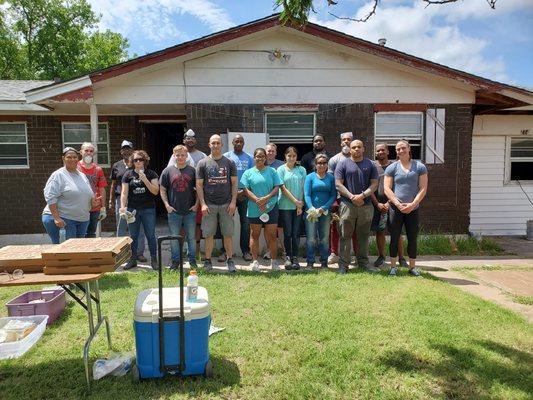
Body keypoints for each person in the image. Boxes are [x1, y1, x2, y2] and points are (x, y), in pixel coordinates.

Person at [384, 140, 428, 277]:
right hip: (395, 209)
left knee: (412, 238)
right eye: (398, 149)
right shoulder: (392, 168)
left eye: (403, 148)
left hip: (412, 210)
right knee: (394, 237)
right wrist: (397, 203)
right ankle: (392, 267)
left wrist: (412, 204)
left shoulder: (420, 167)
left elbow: (423, 188)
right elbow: (387, 188)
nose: (400, 151)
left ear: (409, 149)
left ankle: (412, 267)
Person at [335, 140, 378, 274]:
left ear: (363, 149)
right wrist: (352, 196)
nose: (357, 149)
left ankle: (363, 263)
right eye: (354, 147)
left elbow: (375, 184)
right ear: (350, 149)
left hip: (366, 206)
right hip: (347, 204)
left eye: (359, 147)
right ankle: (343, 265)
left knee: (364, 235)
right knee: (345, 235)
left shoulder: (370, 164)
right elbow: (338, 184)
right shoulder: (343, 163)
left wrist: (363, 195)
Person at [196, 134, 238, 272]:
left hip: (226, 204)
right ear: (209, 144)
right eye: (213, 143)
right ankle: (208, 261)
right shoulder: (202, 163)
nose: (215, 145)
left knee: (228, 234)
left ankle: (230, 260)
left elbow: (234, 183)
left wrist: (233, 202)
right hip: (209, 205)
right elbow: (199, 186)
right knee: (208, 234)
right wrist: (202, 204)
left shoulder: (229, 162)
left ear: (221, 145)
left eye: (218, 143)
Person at [42, 147, 98, 243]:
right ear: (63, 158)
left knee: (77, 252)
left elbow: (86, 194)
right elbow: (50, 196)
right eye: (69, 157)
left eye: (75, 157)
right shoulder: (58, 175)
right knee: (65, 253)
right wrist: (56, 218)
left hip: (82, 219)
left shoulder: (82, 175)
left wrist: (92, 202)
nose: (72, 159)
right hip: (63, 220)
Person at [241, 148, 283, 272]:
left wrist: (266, 198)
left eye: (262, 156)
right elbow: (245, 189)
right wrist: (257, 200)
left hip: (271, 207)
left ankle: (274, 262)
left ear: (265, 158)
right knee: (254, 235)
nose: (260, 158)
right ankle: (255, 262)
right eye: (257, 156)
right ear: (254, 158)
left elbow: (277, 187)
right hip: (255, 208)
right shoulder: (248, 173)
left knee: (271, 235)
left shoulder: (272, 171)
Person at [119, 150, 160, 270]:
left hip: (148, 209)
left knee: (150, 235)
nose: (138, 162)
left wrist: (145, 179)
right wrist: (122, 206)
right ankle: (133, 260)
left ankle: (154, 259)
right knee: (133, 235)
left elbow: (155, 191)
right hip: (133, 209)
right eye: (135, 160)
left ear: (145, 161)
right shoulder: (128, 174)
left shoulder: (151, 174)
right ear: (132, 161)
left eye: (140, 159)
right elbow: (124, 192)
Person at [160, 145, 198, 269]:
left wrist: (196, 204)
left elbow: (199, 189)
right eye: (178, 155)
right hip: (174, 211)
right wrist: (167, 205)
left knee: (191, 238)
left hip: (190, 211)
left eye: (183, 155)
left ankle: (192, 261)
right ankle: (175, 261)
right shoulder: (167, 171)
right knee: (174, 238)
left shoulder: (193, 170)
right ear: (174, 156)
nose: (180, 157)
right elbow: (162, 189)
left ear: (187, 156)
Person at [109, 140, 147, 262]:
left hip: (136, 200)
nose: (126, 151)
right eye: (124, 149)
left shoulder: (136, 164)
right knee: (121, 227)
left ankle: (139, 253)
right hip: (121, 200)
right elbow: (113, 184)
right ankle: (120, 253)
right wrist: (110, 200)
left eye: (129, 149)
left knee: (139, 227)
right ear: (121, 151)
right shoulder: (116, 165)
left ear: (132, 151)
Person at [370, 144, 407, 268]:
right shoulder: (372, 166)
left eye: (383, 150)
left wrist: (389, 202)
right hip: (377, 206)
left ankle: (401, 258)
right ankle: (381, 256)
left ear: (387, 151)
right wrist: (377, 203)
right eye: (378, 150)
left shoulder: (395, 166)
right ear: (375, 153)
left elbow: (399, 186)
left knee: (397, 232)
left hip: (394, 205)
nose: (380, 152)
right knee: (379, 232)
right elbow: (369, 187)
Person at [327, 132, 358, 264]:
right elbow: (330, 181)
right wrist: (333, 200)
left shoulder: (358, 159)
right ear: (340, 143)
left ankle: (356, 254)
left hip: (354, 199)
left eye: (349, 140)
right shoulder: (334, 160)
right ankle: (334, 253)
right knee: (335, 226)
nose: (346, 142)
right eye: (344, 140)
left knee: (355, 227)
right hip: (338, 199)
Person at [222, 134, 254, 261]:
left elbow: (252, 176)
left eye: (241, 141)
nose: (238, 143)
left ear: (243, 143)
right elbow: (223, 177)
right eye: (236, 141)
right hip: (229, 195)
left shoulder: (250, 158)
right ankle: (225, 252)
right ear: (232, 143)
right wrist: (233, 193)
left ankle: (245, 251)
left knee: (246, 224)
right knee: (226, 223)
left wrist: (243, 192)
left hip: (245, 195)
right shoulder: (226, 157)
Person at [304, 154, 337, 269]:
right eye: (319, 163)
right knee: (311, 238)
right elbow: (307, 195)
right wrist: (312, 208)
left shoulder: (331, 178)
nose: (321, 165)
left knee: (324, 238)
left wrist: (324, 207)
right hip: (311, 213)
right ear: (315, 164)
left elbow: (333, 195)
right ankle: (310, 262)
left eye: (324, 163)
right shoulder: (310, 177)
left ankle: (324, 262)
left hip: (325, 213)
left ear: (327, 165)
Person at [277, 147, 307, 270]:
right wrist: (295, 201)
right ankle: (288, 257)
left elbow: (304, 187)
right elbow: (282, 188)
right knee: (288, 233)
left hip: (298, 207)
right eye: (289, 156)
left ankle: (295, 258)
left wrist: (300, 204)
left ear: (296, 157)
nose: (291, 158)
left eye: (294, 156)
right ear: (285, 157)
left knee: (296, 234)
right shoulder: (280, 169)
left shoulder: (302, 170)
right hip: (285, 206)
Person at [77, 142, 107, 238]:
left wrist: (103, 208)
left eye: (91, 151)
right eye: (86, 150)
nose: (89, 153)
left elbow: (102, 189)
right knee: (80, 234)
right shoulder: (75, 167)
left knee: (91, 234)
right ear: (81, 152)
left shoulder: (98, 169)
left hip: (95, 208)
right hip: (79, 207)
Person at [264, 142, 284, 259]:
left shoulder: (281, 165)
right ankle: (269, 250)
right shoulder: (261, 164)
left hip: (279, 201)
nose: (270, 153)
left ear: (276, 153)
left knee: (280, 227)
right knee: (266, 227)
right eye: (268, 151)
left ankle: (284, 251)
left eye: (272, 151)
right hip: (265, 202)